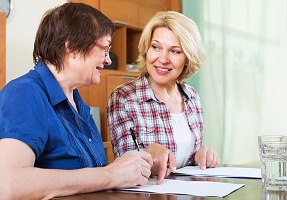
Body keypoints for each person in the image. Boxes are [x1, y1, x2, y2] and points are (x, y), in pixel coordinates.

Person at [0, 3, 152, 199]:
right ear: (72, 47)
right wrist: (111, 175)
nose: (108, 60)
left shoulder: (77, 102)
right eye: (105, 48)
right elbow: (8, 184)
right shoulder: (24, 93)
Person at [107, 11, 220, 185]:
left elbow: (188, 159)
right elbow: (124, 163)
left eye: (174, 51)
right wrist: (150, 155)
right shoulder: (124, 97)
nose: (163, 59)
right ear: (146, 49)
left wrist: (201, 156)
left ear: (187, 59)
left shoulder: (192, 97)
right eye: (156, 47)